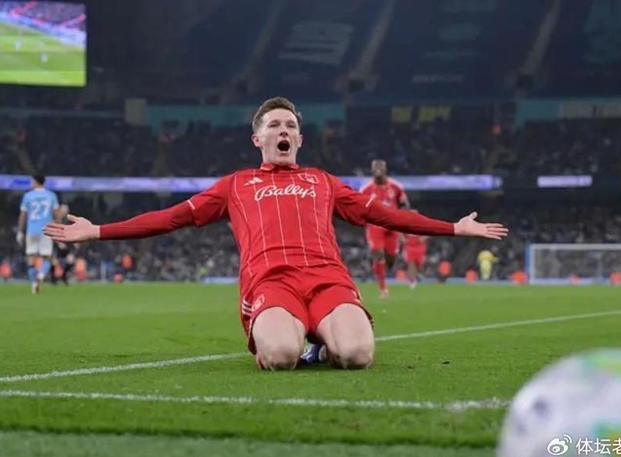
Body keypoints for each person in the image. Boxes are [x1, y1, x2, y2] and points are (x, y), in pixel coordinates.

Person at [44, 97, 508, 371]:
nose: (284, 130)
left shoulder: (324, 182)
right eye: (275, 125)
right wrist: (98, 230)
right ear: (258, 139)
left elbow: (387, 216)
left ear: (299, 140)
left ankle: (323, 345)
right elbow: (170, 217)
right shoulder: (235, 185)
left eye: (291, 126)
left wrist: (454, 228)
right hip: (271, 283)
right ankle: (295, 339)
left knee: (358, 356)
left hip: (328, 280)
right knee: (282, 356)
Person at [359, 160, 410, 299]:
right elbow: (359, 208)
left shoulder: (396, 187)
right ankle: (383, 289)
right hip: (375, 226)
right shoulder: (365, 189)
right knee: (378, 253)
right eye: (375, 167)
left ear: (385, 169)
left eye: (380, 166)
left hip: (392, 225)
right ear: (371, 170)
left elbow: (404, 206)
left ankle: (379, 270)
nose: (378, 169)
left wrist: (402, 228)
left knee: (391, 259)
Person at [17, 175, 61, 294]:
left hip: (32, 230)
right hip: (46, 230)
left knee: (31, 258)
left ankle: (34, 283)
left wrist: (20, 231)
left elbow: (23, 215)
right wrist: (58, 227)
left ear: (36, 182)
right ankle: (41, 275)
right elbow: (57, 213)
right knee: (47, 257)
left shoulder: (28, 196)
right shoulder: (51, 195)